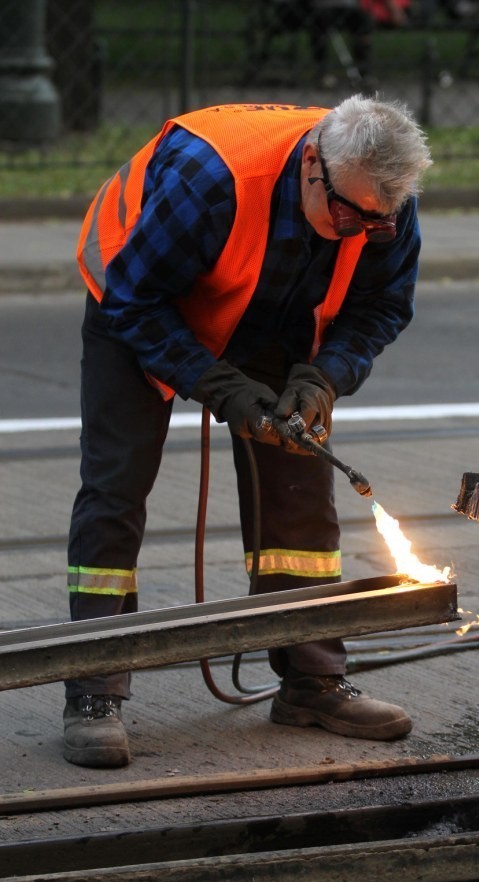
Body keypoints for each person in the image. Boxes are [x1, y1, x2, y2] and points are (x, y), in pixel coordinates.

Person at [65, 95, 432, 768]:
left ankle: (309, 678)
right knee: (116, 488)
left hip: (270, 308)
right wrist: (218, 385)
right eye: (348, 215)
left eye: (375, 224)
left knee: (299, 488)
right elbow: (134, 298)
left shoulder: (379, 206)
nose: (359, 232)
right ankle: (93, 688)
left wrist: (322, 377)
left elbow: (382, 305)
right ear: (313, 166)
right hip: (139, 293)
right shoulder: (214, 180)